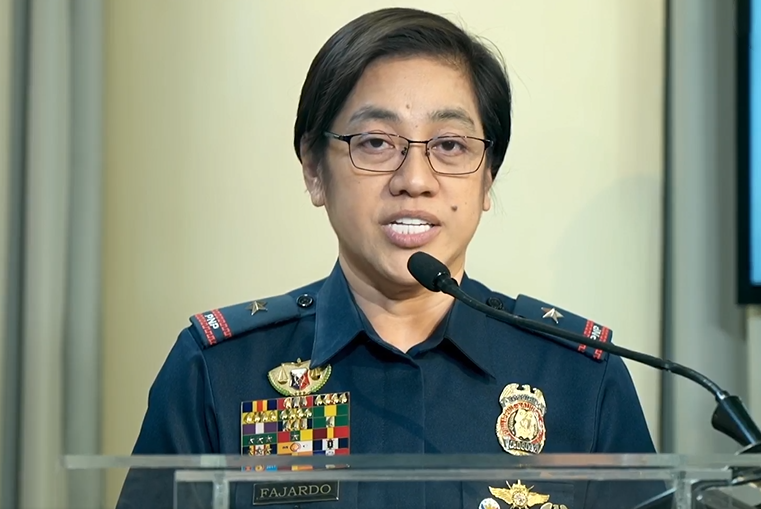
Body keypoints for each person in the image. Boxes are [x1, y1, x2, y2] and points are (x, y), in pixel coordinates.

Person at [117, 7, 661, 509]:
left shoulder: (577, 377)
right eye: (376, 142)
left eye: (450, 145)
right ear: (314, 170)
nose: (414, 180)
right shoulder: (219, 370)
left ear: (487, 177)